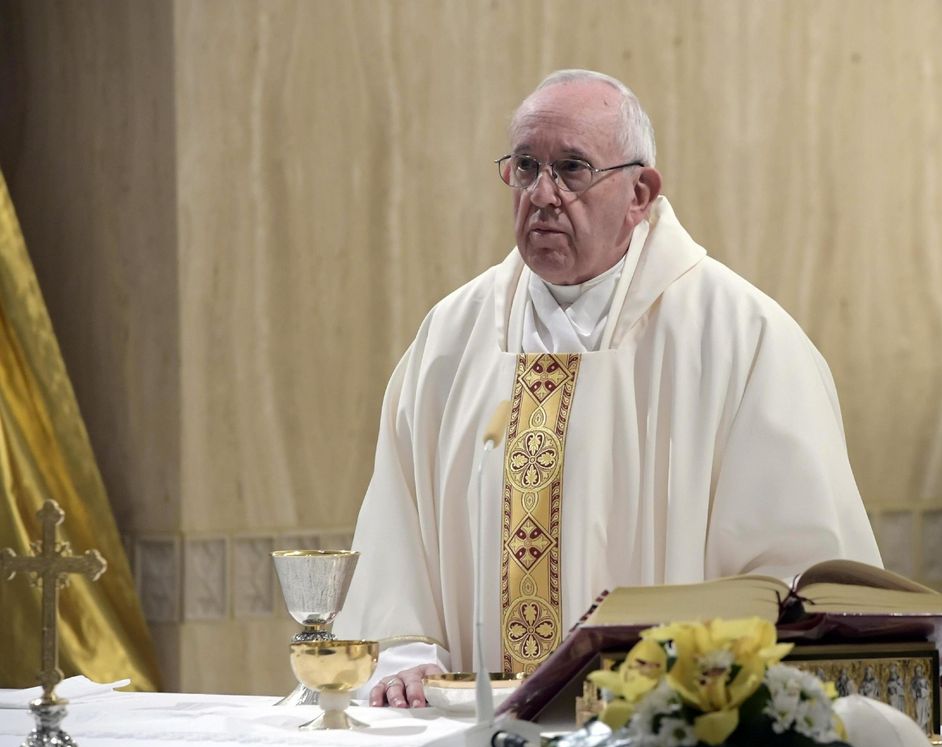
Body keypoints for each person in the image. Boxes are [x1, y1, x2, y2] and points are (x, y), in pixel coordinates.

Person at [335, 69, 882, 708]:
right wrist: (404, 651)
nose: (542, 194)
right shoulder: (452, 338)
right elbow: (397, 524)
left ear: (640, 191)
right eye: (524, 167)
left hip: (674, 733)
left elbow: (794, 564)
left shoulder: (743, 338)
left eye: (571, 169)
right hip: (471, 728)